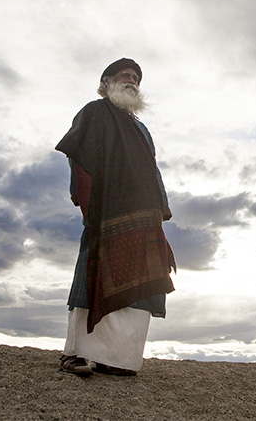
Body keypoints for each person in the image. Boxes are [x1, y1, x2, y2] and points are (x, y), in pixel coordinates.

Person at [55, 58, 176, 377]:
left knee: (138, 286)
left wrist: (159, 220)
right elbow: (78, 156)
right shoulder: (94, 113)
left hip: (143, 217)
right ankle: (75, 353)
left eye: (137, 77)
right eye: (126, 75)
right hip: (106, 209)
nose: (133, 80)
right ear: (107, 82)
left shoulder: (141, 129)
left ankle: (117, 358)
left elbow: (152, 173)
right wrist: (87, 204)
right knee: (93, 275)